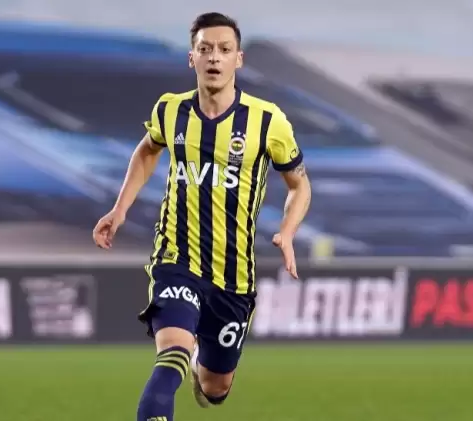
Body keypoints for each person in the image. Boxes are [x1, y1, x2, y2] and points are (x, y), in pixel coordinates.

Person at [92, 12, 312, 421]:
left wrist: (287, 231)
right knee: (172, 352)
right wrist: (120, 209)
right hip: (177, 259)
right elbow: (148, 149)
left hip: (234, 276)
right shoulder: (170, 110)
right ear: (191, 57)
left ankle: (202, 367)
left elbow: (300, 186)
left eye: (224, 50)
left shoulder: (268, 121)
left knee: (215, 388)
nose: (214, 57)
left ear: (238, 59)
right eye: (205, 49)